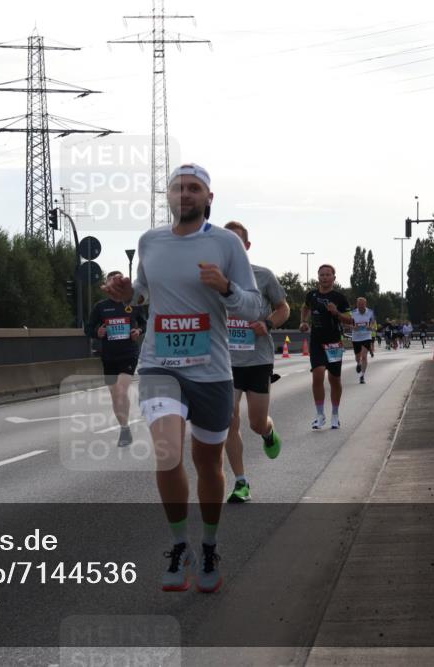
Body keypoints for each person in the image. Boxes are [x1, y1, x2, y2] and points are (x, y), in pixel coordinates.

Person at [102, 164, 263, 594]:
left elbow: (254, 307)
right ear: (168, 197)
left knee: (208, 464)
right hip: (159, 365)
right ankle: (179, 544)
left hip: (210, 370)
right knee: (168, 452)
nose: (185, 194)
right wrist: (125, 293)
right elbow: (142, 292)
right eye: (178, 187)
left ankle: (209, 544)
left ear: (209, 198)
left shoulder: (226, 243)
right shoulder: (150, 241)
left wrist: (226, 287)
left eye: (194, 188)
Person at [221, 221, 289, 503]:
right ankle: (241, 483)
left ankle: (269, 432)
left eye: (238, 243)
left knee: (256, 423)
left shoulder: (263, 277)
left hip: (258, 360)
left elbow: (284, 308)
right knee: (229, 421)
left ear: (247, 247)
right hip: (225, 361)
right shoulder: (214, 281)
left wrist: (267, 323)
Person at [86, 271, 147, 447]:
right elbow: (88, 329)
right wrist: (97, 332)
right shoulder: (100, 307)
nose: (115, 283)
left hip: (128, 353)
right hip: (109, 356)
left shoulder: (133, 305)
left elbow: (144, 323)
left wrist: (138, 331)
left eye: (118, 279)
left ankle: (125, 428)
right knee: (115, 396)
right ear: (107, 285)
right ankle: (124, 428)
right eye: (111, 280)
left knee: (121, 390)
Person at [299, 265, 352, 429]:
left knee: (335, 380)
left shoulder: (339, 297)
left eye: (328, 275)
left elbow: (350, 320)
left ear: (334, 278)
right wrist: (303, 321)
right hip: (316, 341)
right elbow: (305, 307)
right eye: (321, 275)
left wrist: (336, 313)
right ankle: (320, 415)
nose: (324, 277)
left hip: (334, 342)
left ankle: (335, 414)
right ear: (318, 277)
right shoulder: (312, 295)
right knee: (318, 374)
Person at [350, 297, 375, 384]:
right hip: (356, 337)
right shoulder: (353, 313)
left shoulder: (370, 312)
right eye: (359, 304)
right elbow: (348, 324)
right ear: (357, 305)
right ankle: (358, 363)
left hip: (366, 337)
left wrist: (370, 327)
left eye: (362, 304)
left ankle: (362, 375)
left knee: (364, 356)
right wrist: (353, 327)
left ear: (365, 304)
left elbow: (373, 322)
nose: (360, 306)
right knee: (358, 357)